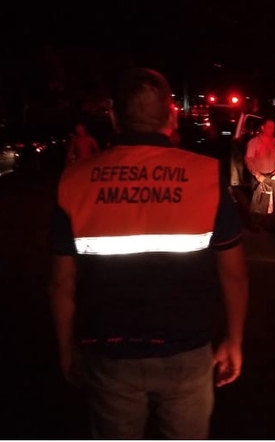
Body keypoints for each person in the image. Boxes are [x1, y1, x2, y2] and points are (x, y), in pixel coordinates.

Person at [48, 67, 249, 439]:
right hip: (186, 353)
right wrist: (234, 339)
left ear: (112, 117)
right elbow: (233, 273)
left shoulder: (74, 181)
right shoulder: (206, 177)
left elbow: (62, 283)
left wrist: (65, 348)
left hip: (108, 355)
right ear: (172, 116)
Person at [244, 117, 275, 230]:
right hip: (259, 176)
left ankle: (272, 224)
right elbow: (249, 159)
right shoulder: (254, 142)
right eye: (269, 127)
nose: (272, 129)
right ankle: (255, 224)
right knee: (258, 201)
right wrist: (257, 174)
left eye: (273, 127)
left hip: (273, 176)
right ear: (263, 127)